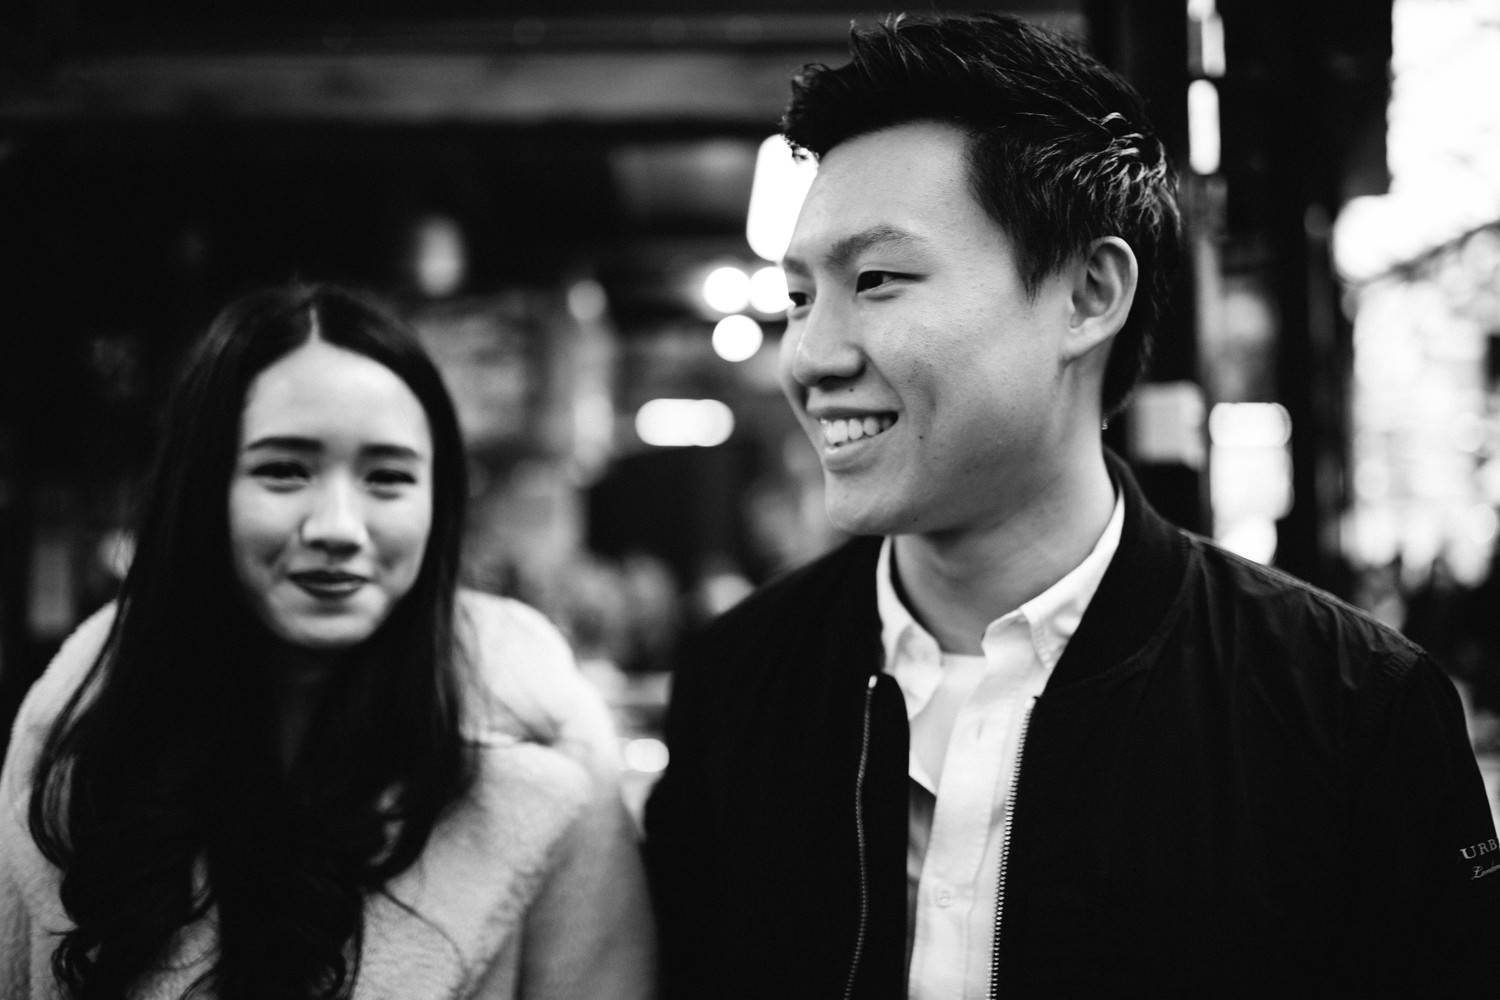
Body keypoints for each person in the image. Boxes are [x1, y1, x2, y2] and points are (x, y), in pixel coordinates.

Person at [643, 12, 1500, 998]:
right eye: (800, 298)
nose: (812, 355)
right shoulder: (740, 681)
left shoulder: (1353, 709)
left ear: (1090, 293)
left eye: (876, 280)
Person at [0, 283, 654, 999]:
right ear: (204, 487)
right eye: (284, 470)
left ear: (438, 501)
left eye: (388, 477)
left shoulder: (541, 738)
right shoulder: (80, 727)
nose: (338, 526)